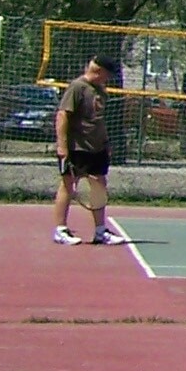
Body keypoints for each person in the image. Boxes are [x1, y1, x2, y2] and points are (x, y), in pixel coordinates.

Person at [53, 57, 128, 248]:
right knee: (68, 186)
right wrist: (62, 145)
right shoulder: (77, 87)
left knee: (99, 186)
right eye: (107, 75)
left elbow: (98, 120)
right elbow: (62, 115)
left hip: (97, 148)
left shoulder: (100, 90)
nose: (107, 79)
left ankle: (100, 231)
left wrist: (105, 142)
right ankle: (60, 230)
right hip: (77, 147)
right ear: (99, 71)